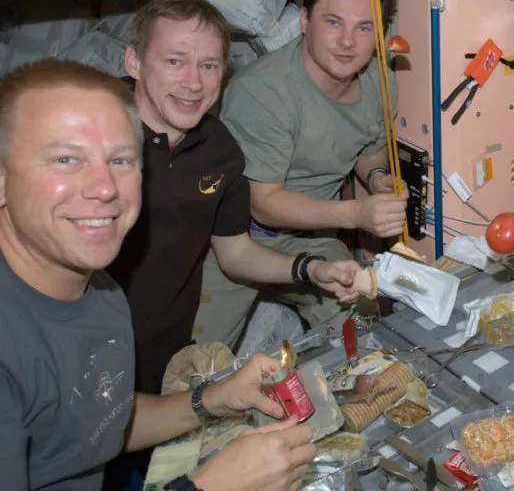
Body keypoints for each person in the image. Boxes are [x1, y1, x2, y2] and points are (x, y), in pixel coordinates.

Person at [0, 59, 316, 491]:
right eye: (65, 158)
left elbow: (98, 422)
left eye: (121, 160)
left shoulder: (101, 291)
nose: (105, 187)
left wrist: (214, 399)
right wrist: (210, 486)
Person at [194, 0, 408, 349]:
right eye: (333, 22)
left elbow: (368, 150)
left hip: (313, 240)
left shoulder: (381, 80)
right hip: (238, 242)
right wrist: (357, 214)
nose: (348, 42)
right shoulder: (264, 92)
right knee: (199, 373)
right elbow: (264, 203)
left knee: (369, 338)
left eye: (364, 28)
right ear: (305, 21)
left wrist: (379, 181)